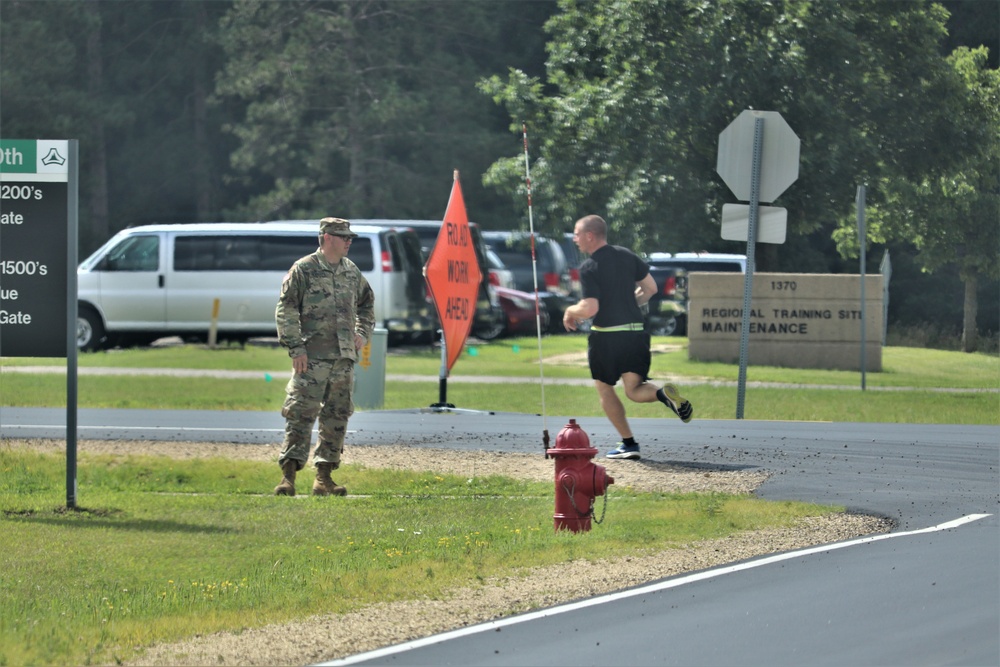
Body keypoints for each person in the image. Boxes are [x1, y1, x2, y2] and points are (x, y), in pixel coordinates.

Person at [562, 214, 693, 460]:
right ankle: (663, 395)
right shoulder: (627, 256)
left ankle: (629, 444)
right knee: (634, 389)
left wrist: (570, 311)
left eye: (577, 234)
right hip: (636, 334)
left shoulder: (590, 267)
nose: (575, 239)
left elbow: (590, 309)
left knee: (604, 388)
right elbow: (651, 289)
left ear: (590, 235)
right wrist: (630, 303)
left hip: (607, 339)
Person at [273, 217, 376, 496]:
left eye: (350, 237)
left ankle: (324, 479)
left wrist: (362, 334)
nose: (349, 242)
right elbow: (287, 310)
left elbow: (367, 305)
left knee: (337, 416)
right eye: (344, 237)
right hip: (311, 358)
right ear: (327, 237)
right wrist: (296, 348)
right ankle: (288, 477)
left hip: (343, 360)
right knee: (300, 414)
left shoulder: (351, 272)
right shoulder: (304, 269)